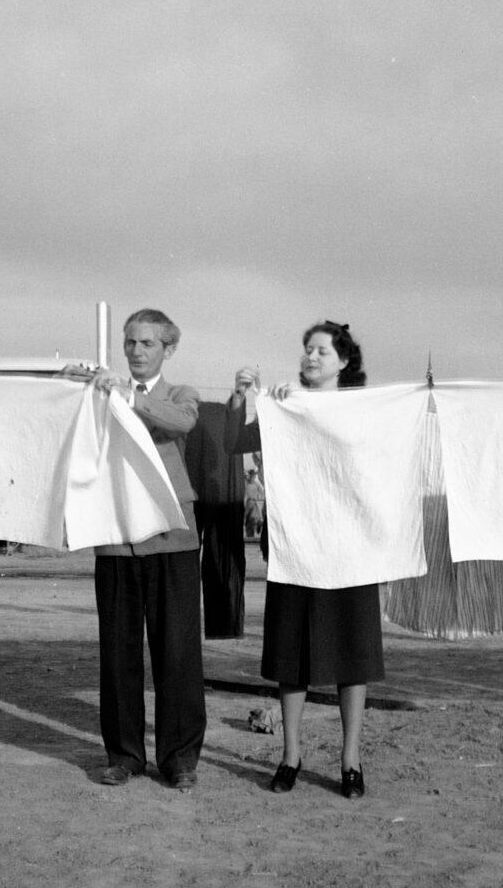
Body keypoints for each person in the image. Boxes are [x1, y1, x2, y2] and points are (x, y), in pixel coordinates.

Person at [225, 320, 382, 800]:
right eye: (306, 350)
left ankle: (350, 760)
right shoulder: (285, 406)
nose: (310, 358)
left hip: (351, 549)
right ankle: (290, 756)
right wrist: (244, 400)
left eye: (320, 351)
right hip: (295, 548)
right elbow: (236, 443)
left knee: (353, 656)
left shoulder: (364, 412)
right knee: (291, 655)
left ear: (343, 362)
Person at [66, 308, 206, 790]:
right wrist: (76, 388)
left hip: (173, 540)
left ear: (168, 349)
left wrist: (123, 395)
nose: (136, 352)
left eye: (147, 344)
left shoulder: (180, 395)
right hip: (117, 539)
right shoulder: (102, 392)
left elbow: (179, 423)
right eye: (130, 343)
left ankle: (180, 759)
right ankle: (124, 755)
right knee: (118, 653)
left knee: (179, 653)